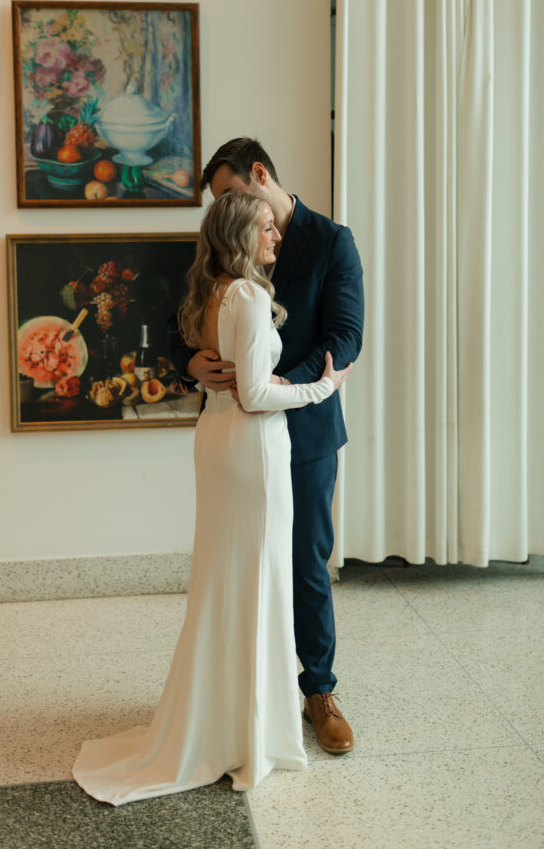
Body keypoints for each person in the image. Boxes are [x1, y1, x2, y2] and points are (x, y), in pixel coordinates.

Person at [72, 191, 352, 804]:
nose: (276, 236)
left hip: (219, 438)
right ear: (240, 236)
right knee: (258, 580)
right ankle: (250, 732)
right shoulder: (250, 297)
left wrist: (276, 383)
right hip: (250, 446)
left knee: (231, 580)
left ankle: (228, 719)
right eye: (266, 229)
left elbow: (237, 382)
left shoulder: (214, 292)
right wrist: (322, 388)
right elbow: (255, 395)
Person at [169, 137, 365, 754]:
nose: (221, 211)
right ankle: (243, 692)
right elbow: (183, 317)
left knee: (306, 563)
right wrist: (191, 363)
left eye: (229, 195)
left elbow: (345, 337)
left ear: (259, 175)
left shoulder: (333, 242)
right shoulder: (224, 243)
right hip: (239, 435)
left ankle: (319, 692)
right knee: (239, 560)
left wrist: (288, 385)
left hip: (302, 434)